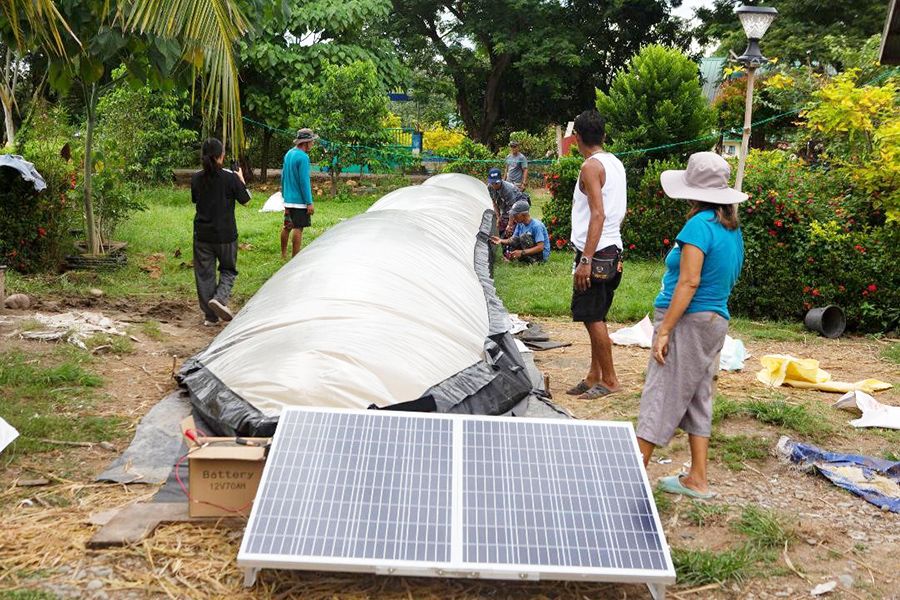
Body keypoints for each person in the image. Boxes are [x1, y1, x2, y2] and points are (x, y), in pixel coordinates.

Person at [637, 152, 746, 499]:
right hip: (716, 321)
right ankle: (697, 479)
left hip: (687, 320)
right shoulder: (731, 229)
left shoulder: (698, 226)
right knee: (699, 397)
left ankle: (631, 476)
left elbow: (689, 282)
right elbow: (728, 277)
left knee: (661, 393)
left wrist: (666, 329)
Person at [567, 109, 627, 400]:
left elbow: (598, 214)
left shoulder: (590, 167)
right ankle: (594, 375)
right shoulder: (615, 164)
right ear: (603, 135)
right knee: (596, 313)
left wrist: (586, 260)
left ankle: (611, 380)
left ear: (576, 137)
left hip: (595, 252)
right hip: (611, 248)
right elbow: (618, 212)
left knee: (592, 318)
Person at [191, 138, 251, 325]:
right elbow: (246, 200)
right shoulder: (230, 177)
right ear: (221, 156)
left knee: (204, 274)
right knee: (228, 270)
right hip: (226, 235)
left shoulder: (196, 178)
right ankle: (220, 298)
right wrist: (241, 179)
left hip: (202, 235)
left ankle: (210, 316)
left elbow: (195, 200)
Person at [282, 128, 318, 257]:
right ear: (306, 142)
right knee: (298, 228)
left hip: (288, 199)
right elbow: (304, 182)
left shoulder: (289, 154)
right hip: (299, 201)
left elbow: (283, 176)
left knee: (287, 226)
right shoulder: (303, 157)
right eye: (312, 141)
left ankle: (283, 255)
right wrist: (309, 202)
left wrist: (284, 197)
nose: (313, 144)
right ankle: (295, 258)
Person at [487, 167, 529, 237]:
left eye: (496, 183)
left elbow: (513, 209)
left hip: (519, 206)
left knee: (513, 230)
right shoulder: (490, 187)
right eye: (492, 182)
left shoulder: (508, 190)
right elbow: (494, 202)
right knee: (501, 228)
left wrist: (510, 225)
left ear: (501, 180)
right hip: (506, 207)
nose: (494, 185)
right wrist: (498, 217)